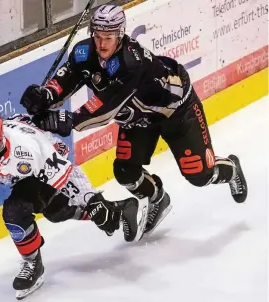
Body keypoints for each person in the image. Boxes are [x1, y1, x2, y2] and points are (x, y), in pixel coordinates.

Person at [20, 4, 248, 241]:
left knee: (199, 174)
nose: (102, 44)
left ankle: (231, 169)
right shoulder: (83, 53)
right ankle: (158, 197)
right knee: (125, 172)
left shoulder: (132, 61)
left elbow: (106, 107)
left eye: (108, 37)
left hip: (176, 111)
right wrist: (45, 95)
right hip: (139, 120)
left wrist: (69, 119)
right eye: (97, 37)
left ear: (120, 35)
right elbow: (65, 80)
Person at [0, 100, 139, 300]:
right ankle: (118, 212)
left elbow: (68, 176)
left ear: (1, 136)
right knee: (41, 211)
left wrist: (93, 201)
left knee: (39, 210)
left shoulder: (26, 148)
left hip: (49, 157)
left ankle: (114, 213)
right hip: (23, 178)